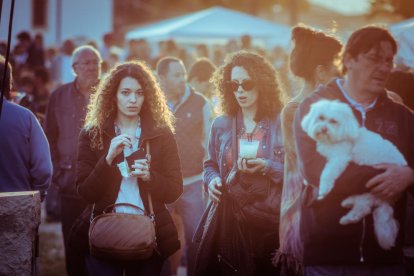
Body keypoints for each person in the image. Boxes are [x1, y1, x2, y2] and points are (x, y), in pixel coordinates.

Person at [294, 25, 414, 276]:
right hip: (327, 256)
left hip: (385, 258)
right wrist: (388, 177)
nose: (383, 67)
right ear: (348, 59)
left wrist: (409, 175)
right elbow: (316, 170)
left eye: (388, 61)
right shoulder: (315, 108)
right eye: (373, 58)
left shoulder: (402, 117)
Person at [76, 60, 183, 275]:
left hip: (148, 232)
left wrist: (150, 177)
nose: (133, 99)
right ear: (113, 95)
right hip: (105, 228)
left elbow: (174, 190)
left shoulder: (161, 134)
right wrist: (107, 159)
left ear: (148, 96)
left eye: (139, 93)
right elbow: (85, 192)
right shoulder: (92, 134)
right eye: (125, 92)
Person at [194, 51, 284, 275]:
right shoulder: (222, 124)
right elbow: (210, 165)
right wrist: (212, 181)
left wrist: (267, 166)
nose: (241, 90)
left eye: (247, 83)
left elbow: (296, 173)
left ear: (262, 83)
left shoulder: (281, 122)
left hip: (270, 222)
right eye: (234, 85)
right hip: (232, 220)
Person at [276, 25, 343, 275]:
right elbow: (315, 167)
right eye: (340, 67)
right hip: (304, 222)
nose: (345, 74)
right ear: (321, 72)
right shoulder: (295, 111)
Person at [43, 45, 102, 275]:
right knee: (72, 242)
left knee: (99, 241)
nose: (92, 67)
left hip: (101, 182)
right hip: (69, 181)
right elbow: (49, 135)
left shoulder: (108, 93)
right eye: (86, 63)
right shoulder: (59, 96)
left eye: (96, 63)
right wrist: (57, 172)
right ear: (74, 68)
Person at [156, 57, 213, 276]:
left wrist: (209, 178)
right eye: (176, 75)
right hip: (163, 186)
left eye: (183, 74)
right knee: (162, 241)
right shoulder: (154, 104)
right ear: (162, 78)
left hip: (194, 183)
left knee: (196, 239)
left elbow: (210, 143)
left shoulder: (201, 103)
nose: (182, 79)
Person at [0, 55, 52, 198]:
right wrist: (35, 194)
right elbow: (43, 169)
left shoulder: (26, 116)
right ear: (9, 84)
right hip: (19, 202)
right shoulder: (25, 117)